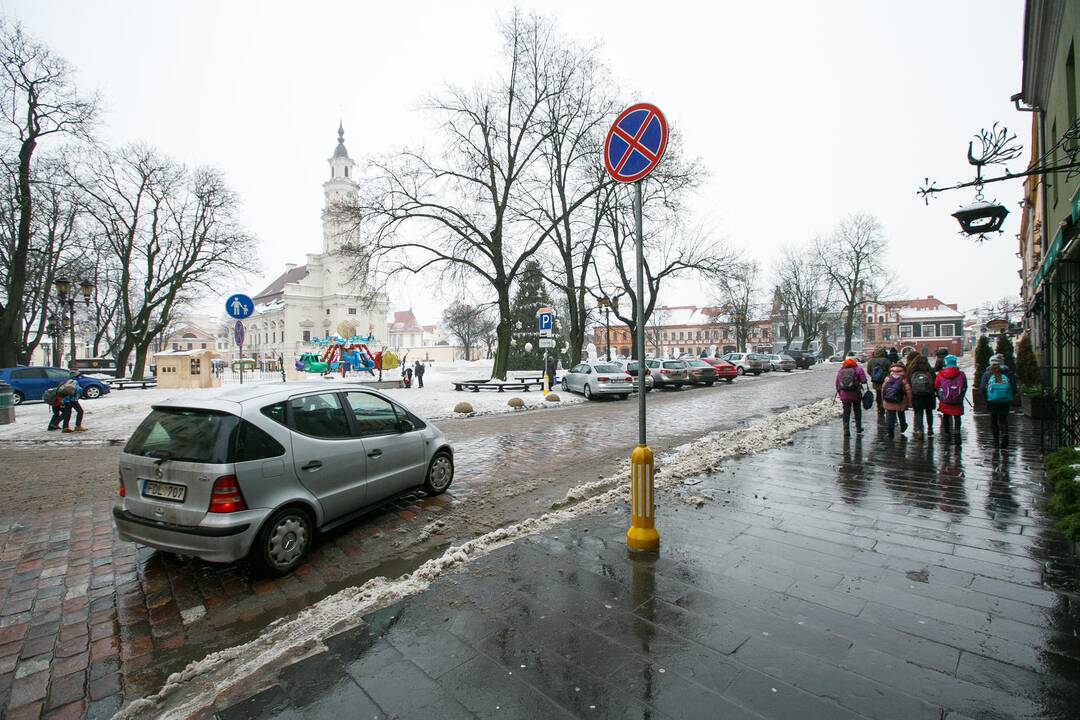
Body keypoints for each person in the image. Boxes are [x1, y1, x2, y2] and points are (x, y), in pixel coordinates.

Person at [981, 355, 1017, 448]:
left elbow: (982, 388)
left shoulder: (987, 373)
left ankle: (995, 441)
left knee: (993, 420)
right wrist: (1009, 396)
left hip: (992, 401)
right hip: (1005, 400)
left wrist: (987, 397)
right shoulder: (1008, 373)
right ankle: (1005, 436)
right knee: (1003, 419)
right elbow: (1014, 387)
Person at [934, 355, 967, 444]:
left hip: (945, 399)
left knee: (946, 415)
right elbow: (965, 386)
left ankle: (947, 434)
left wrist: (940, 395)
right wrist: (961, 396)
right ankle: (957, 434)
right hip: (958, 399)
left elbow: (936, 385)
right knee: (957, 416)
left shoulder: (941, 374)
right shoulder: (961, 374)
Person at [907, 353, 937, 439]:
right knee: (929, 412)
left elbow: (909, 381)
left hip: (916, 394)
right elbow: (934, 380)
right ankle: (930, 428)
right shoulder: (929, 370)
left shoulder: (912, 370)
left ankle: (920, 431)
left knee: (918, 413)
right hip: (928, 394)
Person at [835, 357, 867, 437]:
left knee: (846, 412)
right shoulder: (858, 370)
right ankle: (858, 428)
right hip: (856, 394)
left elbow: (837, 384)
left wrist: (840, 393)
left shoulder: (841, 371)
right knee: (857, 410)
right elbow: (864, 381)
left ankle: (846, 430)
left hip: (844, 395)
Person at [881, 362, 912, 438]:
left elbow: (883, 390)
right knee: (901, 413)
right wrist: (910, 402)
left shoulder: (888, 378)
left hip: (889, 399)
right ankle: (903, 426)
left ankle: (890, 432)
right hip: (900, 400)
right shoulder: (904, 379)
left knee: (891, 415)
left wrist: (883, 400)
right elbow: (908, 391)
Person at [866, 348, 891, 417]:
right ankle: (886, 408)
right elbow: (890, 370)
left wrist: (874, 376)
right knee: (886, 394)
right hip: (885, 381)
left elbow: (868, 370)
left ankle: (880, 409)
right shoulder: (886, 360)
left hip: (876, 381)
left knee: (878, 395)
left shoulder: (871, 361)